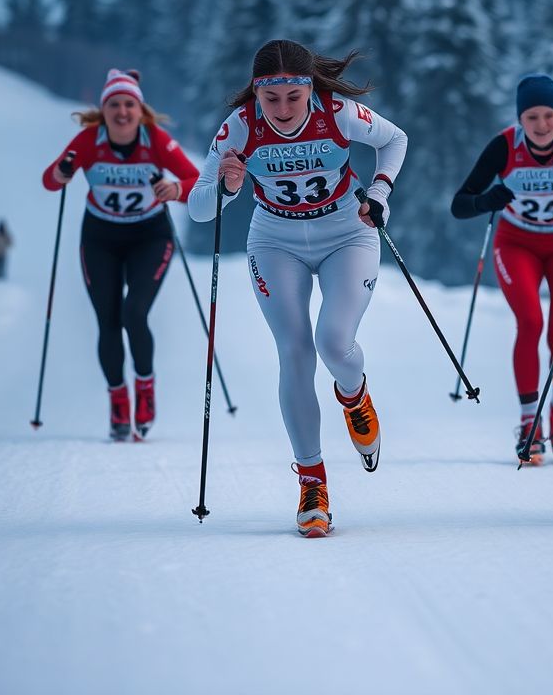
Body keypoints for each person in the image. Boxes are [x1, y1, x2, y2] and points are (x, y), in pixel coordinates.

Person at [188, 39, 407, 538]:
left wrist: (379, 193)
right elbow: (200, 209)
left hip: (347, 232)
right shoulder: (240, 128)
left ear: (309, 87)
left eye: (294, 96)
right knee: (295, 353)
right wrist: (227, 187)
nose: (284, 109)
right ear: (256, 95)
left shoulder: (338, 113)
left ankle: (354, 396)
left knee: (334, 342)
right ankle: (312, 482)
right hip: (275, 240)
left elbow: (396, 141)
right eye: (272, 99)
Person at [451, 73, 553, 465]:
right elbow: (461, 203)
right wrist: (487, 199)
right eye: (531, 118)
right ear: (520, 120)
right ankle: (529, 422)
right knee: (530, 322)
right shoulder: (504, 146)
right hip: (517, 244)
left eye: (548, 116)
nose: (541, 126)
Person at [42, 69, 199, 441]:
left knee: (134, 313)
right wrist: (64, 170)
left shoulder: (156, 140)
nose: (122, 112)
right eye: (115, 104)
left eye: (129, 104)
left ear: (140, 110)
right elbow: (50, 181)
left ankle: (144, 386)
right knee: (108, 320)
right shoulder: (88, 141)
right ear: (104, 109)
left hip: (150, 236)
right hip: (101, 237)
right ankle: (118, 400)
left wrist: (174, 187)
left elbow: (198, 184)